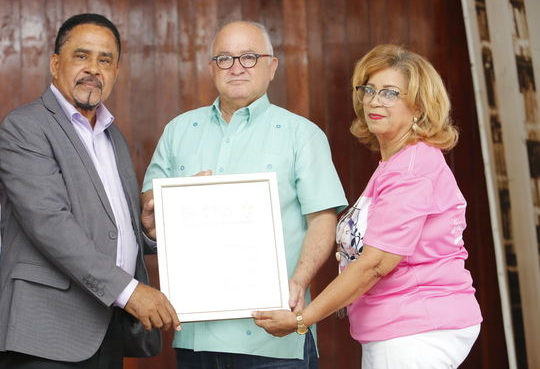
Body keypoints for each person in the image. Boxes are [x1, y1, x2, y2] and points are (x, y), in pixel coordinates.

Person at [252, 44, 483, 369]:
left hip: (415, 326)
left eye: (390, 93)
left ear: (418, 107)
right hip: (401, 326)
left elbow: (376, 264)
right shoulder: (396, 163)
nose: (374, 100)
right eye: (369, 90)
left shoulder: (411, 169)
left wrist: (302, 319)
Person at [141, 20, 347, 368]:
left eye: (249, 57)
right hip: (196, 334)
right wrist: (163, 210)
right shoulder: (178, 131)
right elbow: (151, 208)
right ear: (211, 68)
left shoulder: (302, 135)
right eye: (224, 58)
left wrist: (299, 281)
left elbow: (323, 221)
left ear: (272, 66)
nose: (236, 67)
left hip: (274, 337)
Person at [0, 13, 179, 369]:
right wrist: (130, 291)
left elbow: (107, 223)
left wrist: (146, 232)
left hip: (106, 330)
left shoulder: (112, 136)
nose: (94, 68)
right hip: (45, 333)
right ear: (55, 64)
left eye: (105, 60)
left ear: (117, 72)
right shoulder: (25, 127)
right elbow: (50, 223)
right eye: (82, 56)